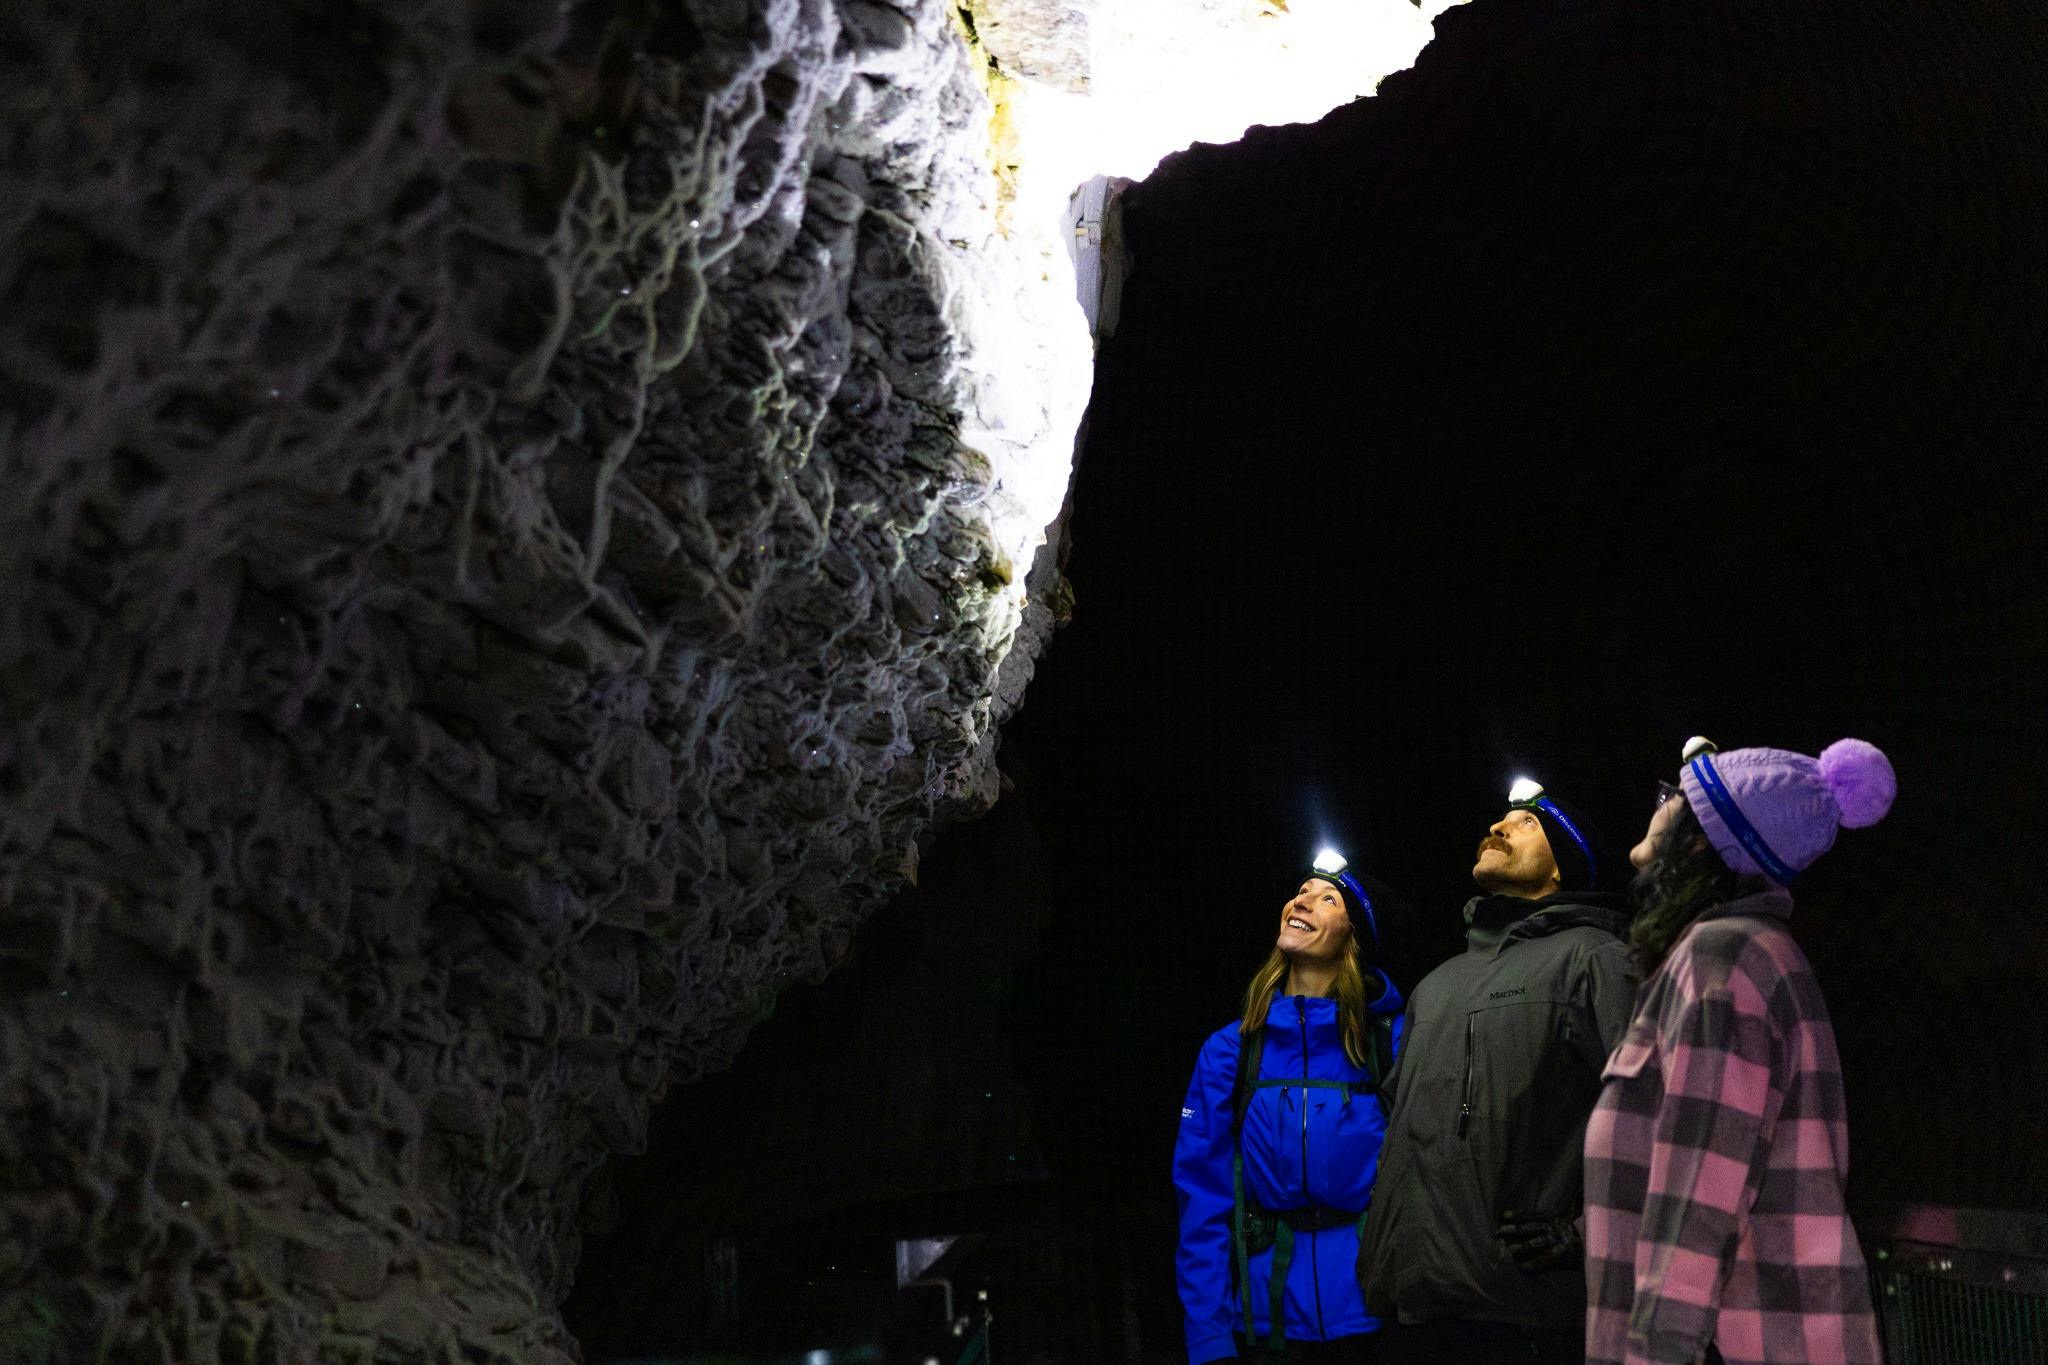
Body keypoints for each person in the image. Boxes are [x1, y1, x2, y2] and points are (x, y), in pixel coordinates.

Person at [1584, 737, 1895, 1365]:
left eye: (1675, 796)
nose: (1660, 801)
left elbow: (1696, 1215)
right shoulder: (1731, 955)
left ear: (1701, 841)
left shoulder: (1724, 961)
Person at [1356, 776, 1638, 1365]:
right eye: (1499, 822)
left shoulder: (1595, 957)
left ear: (1563, 868)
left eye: (1527, 823)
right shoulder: (1435, 986)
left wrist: (1583, 1236)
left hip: (1522, 1311)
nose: (1498, 826)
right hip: (1411, 1308)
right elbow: (1397, 1132)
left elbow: (1653, 1115)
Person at [1174, 849, 1408, 1363]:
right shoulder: (1231, 1050)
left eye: (1328, 898)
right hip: (1266, 1324)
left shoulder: (1390, 1043)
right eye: (1302, 890)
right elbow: (1203, 1198)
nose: (1302, 899)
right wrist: (1208, 1337)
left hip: (1376, 1316)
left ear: (1354, 935)